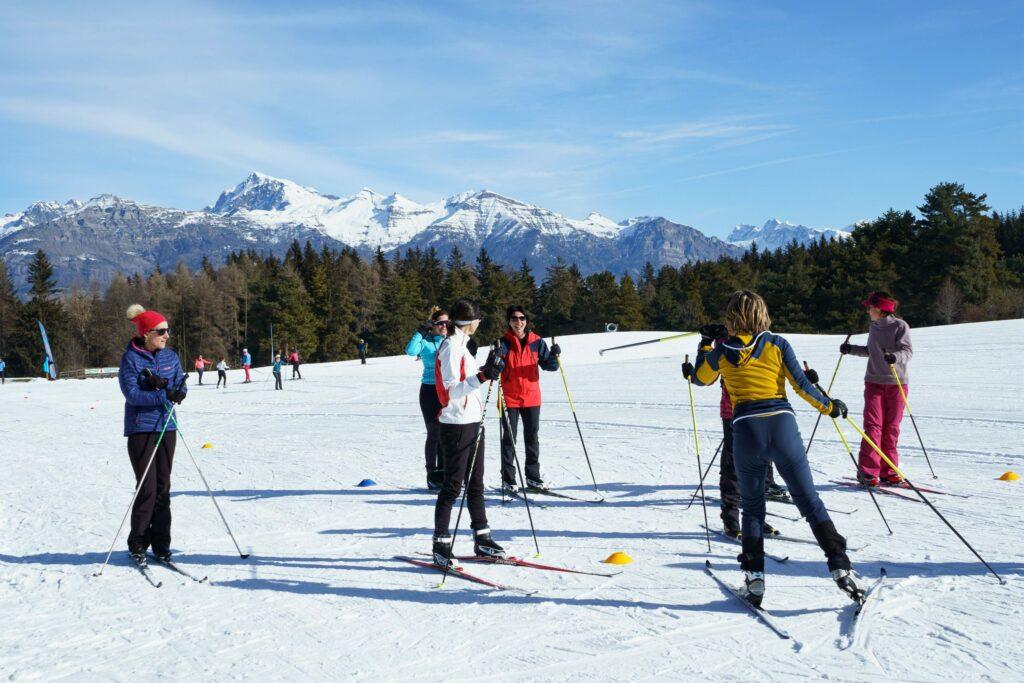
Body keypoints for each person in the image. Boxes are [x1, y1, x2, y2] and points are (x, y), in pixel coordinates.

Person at [686, 290, 861, 606]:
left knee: (752, 508)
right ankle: (840, 566)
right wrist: (830, 407)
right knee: (809, 501)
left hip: (746, 430)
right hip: (782, 426)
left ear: (732, 317)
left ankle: (754, 581)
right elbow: (802, 386)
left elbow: (699, 379)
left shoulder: (722, 351)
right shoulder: (777, 343)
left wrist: (705, 345)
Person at [431, 298, 506, 568]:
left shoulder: (464, 346)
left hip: (473, 420)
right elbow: (451, 390)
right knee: (452, 487)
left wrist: (489, 368)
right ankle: (440, 543)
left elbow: (472, 380)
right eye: (478, 319)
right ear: (471, 322)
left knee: (476, 484)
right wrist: (484, 376)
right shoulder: (451, 347)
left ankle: (482, 537)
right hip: (456, 423)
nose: (479, 323)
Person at [119, 304, 187, 564]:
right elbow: (132, 395)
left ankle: (161, 544)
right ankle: (138, 542)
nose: (166, 335)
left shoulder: (170, 357)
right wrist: (162, 394)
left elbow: (179, 382)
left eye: (167, 331)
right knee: (146, 488)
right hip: (142, 428)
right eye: (161, 331)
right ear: (146, 333)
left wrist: (179, 392)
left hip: (167, 426)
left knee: (163, 488)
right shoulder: (131, 358)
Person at [840, 291, 913, 487]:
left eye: (870, 307)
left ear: (880, 309)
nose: (868, 310)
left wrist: (894, 357)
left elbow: (907, 351)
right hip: (874, 382)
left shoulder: (900, 326)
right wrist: (850, 349)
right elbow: (870, 352)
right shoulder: (874, 327)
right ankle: (868, 472)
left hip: (896, 383)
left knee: (891, 429)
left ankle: (888, 471)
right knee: (873, 428)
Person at [496, 305, 559, 493]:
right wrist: (496, 360)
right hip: (509, 398)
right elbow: (493, 369)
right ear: (509, 321)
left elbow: (550, 366)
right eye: (514, 318)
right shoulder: (502, 343)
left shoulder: (537, 342)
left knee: (532, 438)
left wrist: (555, 354)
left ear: (527, 320)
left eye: (522, 318)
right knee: (509, 439)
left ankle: (532, 477)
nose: (518, 322)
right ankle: (508, 478)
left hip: (532, 397)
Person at [406, 306, 450, 490]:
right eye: (440, 323)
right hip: (430, 390)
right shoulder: (425, 342)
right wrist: (419, 332)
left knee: (446, 433)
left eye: (447, 323)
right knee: (434, 432)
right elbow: (410, 350)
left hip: (447, 389)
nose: (444, 326)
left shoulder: (451, 341)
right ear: (433, 324)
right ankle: (432, 475)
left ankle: (444, 472)